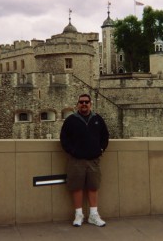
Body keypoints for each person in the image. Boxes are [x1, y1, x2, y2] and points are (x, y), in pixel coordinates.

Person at [60, 93, 109, 227]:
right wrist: (73, 151)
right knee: (77, 187)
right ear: (77, 104)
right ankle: (79, 215)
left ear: (90, 104)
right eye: (81, 102)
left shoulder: (97, 119)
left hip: (93, 159)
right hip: (76, 160)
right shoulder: (71, 120)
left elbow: (105, 136)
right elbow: (64, 139)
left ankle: (93, 215)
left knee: (93, 186)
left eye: (86, 102)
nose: (84, 104)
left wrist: (101, 150)